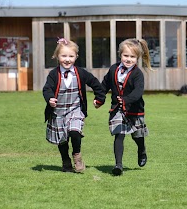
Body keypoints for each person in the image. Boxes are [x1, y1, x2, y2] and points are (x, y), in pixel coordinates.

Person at [42, 38, 105, 173]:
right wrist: (50, 98)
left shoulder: (81, 73)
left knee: (75, 132)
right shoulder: (53, 74)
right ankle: (66, 161)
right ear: (57, 56)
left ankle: (77, 156)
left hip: (75, 110)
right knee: (62, 139)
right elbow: (47, 89)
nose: (67, 59)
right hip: (57, 112)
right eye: (64, 56)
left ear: (76, 57)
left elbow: (95, 83)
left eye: (71, 56)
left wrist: (100, 99)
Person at [101, 38, 152, 176]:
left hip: (134, 110)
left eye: (132, 57)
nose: (128, 59)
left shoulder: (137, 74)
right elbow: (105, 84)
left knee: (137, 136)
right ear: (120, 55)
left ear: (137, 58)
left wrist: (126, 100)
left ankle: (141, 150)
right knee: (119, 134)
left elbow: (138, 92)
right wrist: (99, 98)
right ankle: (118, 165)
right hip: (117, 109)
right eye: (126, 56)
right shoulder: (113, 69)